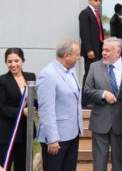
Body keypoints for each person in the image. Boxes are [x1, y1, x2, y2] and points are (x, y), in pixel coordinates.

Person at [83, 37, 122, 171]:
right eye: (103, 49)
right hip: (100, 120)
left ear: (118, 52)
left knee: (118, 161)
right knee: (99, 162)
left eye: (107, 50)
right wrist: (103, 94)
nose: (103, 53)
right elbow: (86, 91)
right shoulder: (94, 66)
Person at [36, 40, 83, 171]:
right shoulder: (48, 75)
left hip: (72, 133)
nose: (79, 57)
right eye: (77, 54)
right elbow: (46, 110)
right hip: (56, 138)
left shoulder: (71, 70)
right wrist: (52, 139)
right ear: (67, 55)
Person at [0, 48, 36, 171]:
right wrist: (22, 112)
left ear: (22, 60)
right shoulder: (0, 81)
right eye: (9, 61)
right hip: (7, 133)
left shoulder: (30, 76)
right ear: (5, 62)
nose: (13, 64)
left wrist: (36, 107)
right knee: (4, 167)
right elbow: (0, 107)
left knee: (23, 167)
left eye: (16, 60)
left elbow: (32, 100)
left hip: (25, 132)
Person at [79, 0, 104, 86]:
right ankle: (84, 97)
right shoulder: (85, 13)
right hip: (91, 51)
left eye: (99, 1)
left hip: (98, 49)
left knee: (96, 74)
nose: (98, 3)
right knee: (89, 74)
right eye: (95, 0)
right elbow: (84, 33)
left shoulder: (96, 13)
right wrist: (89, 50)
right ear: (89, 1)